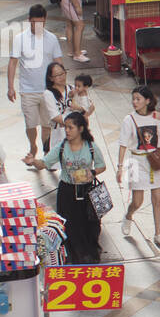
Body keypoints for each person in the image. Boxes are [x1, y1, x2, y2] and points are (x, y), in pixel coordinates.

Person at [25, 111, 106, 262]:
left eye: (70, 128)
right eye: (66, 128)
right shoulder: (62, 147)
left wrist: (92, 172)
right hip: (67, 192)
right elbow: (43, 163)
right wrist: (33, 161)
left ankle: (90, 256)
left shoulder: (91, 147)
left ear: (81, 129)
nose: (67, 131)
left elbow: (102, 166)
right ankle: (73, 257)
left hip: (87, 192)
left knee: (90, 225)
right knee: (69, 225)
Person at [7, 4, 64, 162]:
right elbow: (13, 63)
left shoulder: (51, 38)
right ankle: (33, 146)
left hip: (47, 90)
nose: (37, 26)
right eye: (34, 23)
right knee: (30, 124)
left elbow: (58, 63)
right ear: (29, 20)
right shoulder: (20, 39)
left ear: (45, 20)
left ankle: (47, 153)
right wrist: (10, 87)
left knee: (47, 125)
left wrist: (62, 87)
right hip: (28, 90)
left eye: (41, 23)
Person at [117, 86, 160, 252]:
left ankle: (158, 233)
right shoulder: (129, 119)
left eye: (138, 99)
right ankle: (128, 216)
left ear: (148, 100)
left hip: (154, 161)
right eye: (133, 99)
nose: (135, 102)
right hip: (136, 161)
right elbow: (123, 144)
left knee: (157, 199)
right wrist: (120, 167)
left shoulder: (156, 118)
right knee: (138, 201)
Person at [43, 60, 73, 145]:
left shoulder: (73, 88)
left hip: (77, 135)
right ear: (51, 78)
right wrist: (77, 121)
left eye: (62, 73)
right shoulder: (48, 94)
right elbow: (55, 116)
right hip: (59, 136)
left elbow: (88, 107)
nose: (61, 77)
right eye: (57, 75)